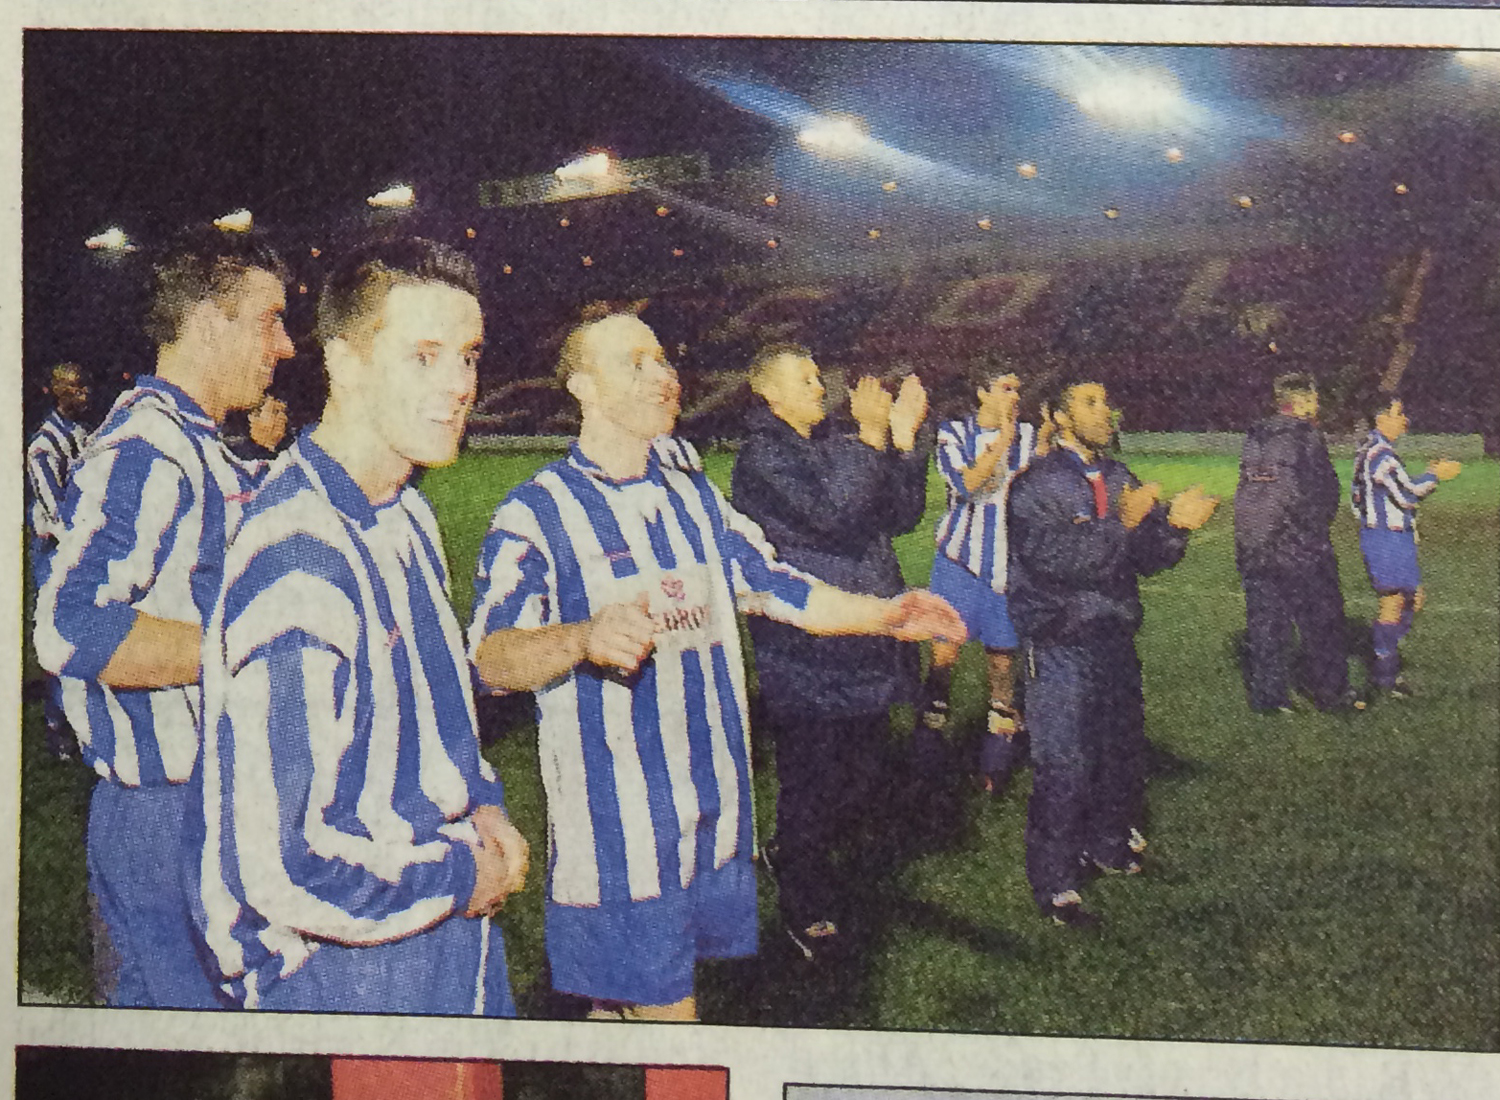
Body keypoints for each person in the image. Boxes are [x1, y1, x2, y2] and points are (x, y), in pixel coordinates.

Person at [468, 311, 963, 1020]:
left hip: (715, 821)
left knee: (643, 1009)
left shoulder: (693, 497)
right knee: (680, 1039)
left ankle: (611, 1007)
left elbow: (777, 584)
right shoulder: (538, 513)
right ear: (583, 386)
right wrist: (580, 638)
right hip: (624, 842)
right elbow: (491, 656)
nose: (663, 375)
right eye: (634, 362)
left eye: (663, 357)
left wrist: (884, 614)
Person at [191, 236, 526, 1015]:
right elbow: (277, 866)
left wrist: (481, 804)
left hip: (435, 922)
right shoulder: (301, 559)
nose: (458, 385)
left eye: (469, 357)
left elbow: (440, 720)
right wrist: (462, 875)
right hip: (346, 967)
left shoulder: (403, 512)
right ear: (344, 362)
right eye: (425, 356)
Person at [33, 228, 295, 1007]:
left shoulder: (194, 443)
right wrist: (249, 648)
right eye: (269, 319)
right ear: (211, 323)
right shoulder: (147, 445)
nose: (284, 344)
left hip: (207, 804)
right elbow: (71, 626)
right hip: (163, 814)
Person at [730, 345, 929, 957]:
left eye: (819, 376)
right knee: (815, 783)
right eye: (806, 378)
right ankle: (806, 903)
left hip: (863, 645)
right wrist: (869, 436)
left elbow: (900, 515)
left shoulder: (829, 447)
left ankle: (793, 851)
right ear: (769, 393)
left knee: (859, 777)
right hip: (809, 653)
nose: (822, 387)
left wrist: (901, 442)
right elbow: (835, 516)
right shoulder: (763, 458)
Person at [1006, 378, 1218, 927]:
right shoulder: (1035, 486)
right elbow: (1057, 560)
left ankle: (1107, 844)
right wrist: (1119, 525)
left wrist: (1173, 528)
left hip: (1114, 635)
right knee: (1065, 762)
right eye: (1090, 403)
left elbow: (1143, 559)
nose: (1106, 413)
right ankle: (1055, 880)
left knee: (1119, 753)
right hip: (1060, 639)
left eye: (1107, 402)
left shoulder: (1120, 476)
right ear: (1057, 415)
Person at [921, 362, 1039, 794]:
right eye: (1006, 388)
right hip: (959, 564)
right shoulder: (954, 434)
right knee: (943, 659)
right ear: (982, 392)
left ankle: (997, 758)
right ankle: (928, 748)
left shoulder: (1031, 438)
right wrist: (1004, 441)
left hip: (1009, 570)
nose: (1014, 396)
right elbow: (968, 485)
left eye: (1017, 388)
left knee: (1002, 664)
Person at [1234, 373, 1358, 713]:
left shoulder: (1255, 435)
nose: (1317, 406)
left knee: (1266, 626)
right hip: (1301, 548)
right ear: (1301, 401)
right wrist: (1313, 530)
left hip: (1254, 546)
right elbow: (1325, 491)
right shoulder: (1307, 436)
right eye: (1314, 399)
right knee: (1323, 623)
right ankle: (1332, 694)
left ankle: (1269, 700)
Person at [1351, 396, 1461, 698]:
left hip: (1389, 537)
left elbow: (1363, 497)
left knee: (1412, 599)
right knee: (1394, 603)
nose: (1405, 420)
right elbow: (1409, 495)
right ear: (1380, 419)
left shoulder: (1370, 452)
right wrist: (1437, 475)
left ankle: (1386, 662)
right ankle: (1385, 677)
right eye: (1399, 414)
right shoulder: (1381, 455)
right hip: (1386, 540)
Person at [26, 362, 92, 759]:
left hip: (80, 545)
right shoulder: (43, 447)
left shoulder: (85, 434)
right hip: (56, 551)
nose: (83, 394)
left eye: (85, 386)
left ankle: (85, 721)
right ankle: (56, 726)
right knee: (58, 635)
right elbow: (55, 512)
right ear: (55, 391)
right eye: (74, 388)